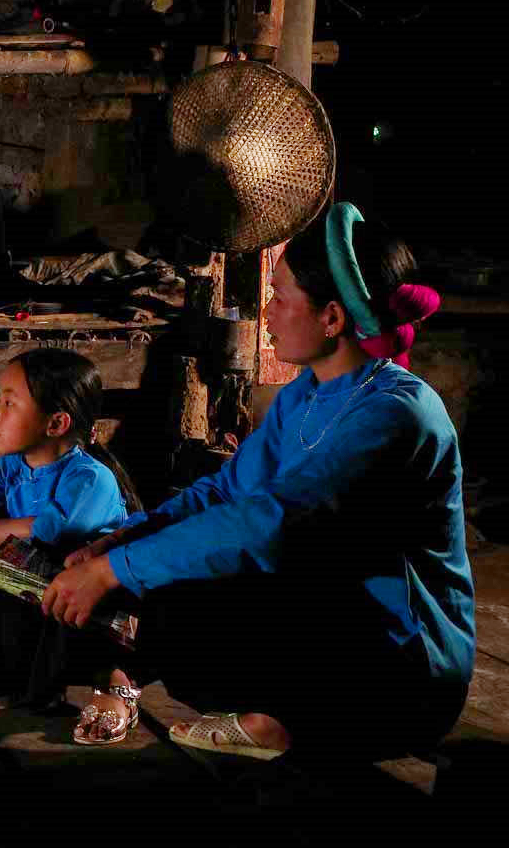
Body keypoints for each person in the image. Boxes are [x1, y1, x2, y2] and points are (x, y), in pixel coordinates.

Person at [43, 205, 472, 760]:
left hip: (399, 675)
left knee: (186, 587)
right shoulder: (305, 394)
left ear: (332, 318)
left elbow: (269, 524)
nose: (267, 312)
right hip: (334, 635)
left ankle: (283, 721)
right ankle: (270, 714)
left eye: (280, 298)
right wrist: (124, 539)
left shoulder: (397, 413)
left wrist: (113, 570)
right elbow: (227, 491)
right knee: (154, 572)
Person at [0, 349, 137, 734]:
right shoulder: (6, 470)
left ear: (56, 422)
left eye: (9, 403)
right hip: (43, 593)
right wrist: (24, 527)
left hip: (99, 611)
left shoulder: (92, 478)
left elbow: (54, 532)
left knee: (40, 561)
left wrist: (2, 528)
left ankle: (114, 679)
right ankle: (13, 680)